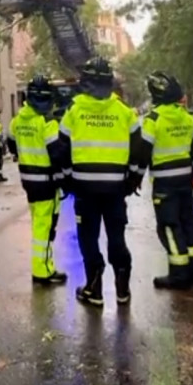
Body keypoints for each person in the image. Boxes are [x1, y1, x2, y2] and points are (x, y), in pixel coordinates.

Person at [59, 57, 142, 307]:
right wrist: (133, 180)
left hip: (84, 190)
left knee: (88, 238)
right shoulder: (125, 113)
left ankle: (94, 289)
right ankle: (122, 288)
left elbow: (61, 149)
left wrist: (67, 179)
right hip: (116, 189)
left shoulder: (74, 111)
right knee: (117, 236)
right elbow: (139, 151)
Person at [136, 72, 193, 290]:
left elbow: (143, 153)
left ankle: (178, 273)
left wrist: (134, 178)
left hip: (164, 184)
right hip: (185, 180)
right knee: (189, 224)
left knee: (169, 227)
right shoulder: (187, 117)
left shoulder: (153, 119)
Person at [6, 75, 68, 286]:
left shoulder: (17, 121)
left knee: (39, 223)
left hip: (28, 181)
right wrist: (65, 179)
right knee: (44, 228)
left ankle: (46, 266)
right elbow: (56, 154)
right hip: (47, 182)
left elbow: (12, 145)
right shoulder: (47, 122)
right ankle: (42, 272)